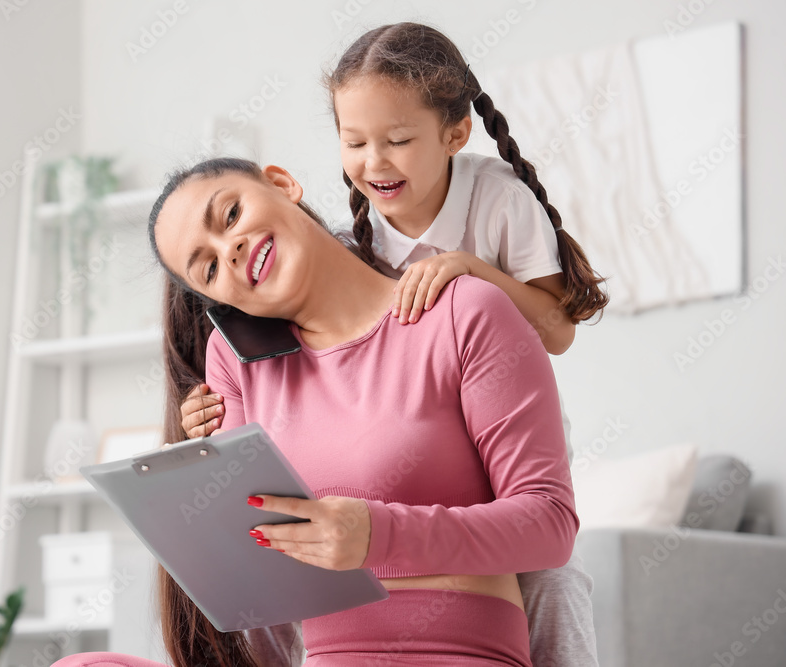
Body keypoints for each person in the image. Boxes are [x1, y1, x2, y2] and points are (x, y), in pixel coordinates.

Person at [179, 23, 607, 667]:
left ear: (455, 134)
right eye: (354, 143)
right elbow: (349, 324)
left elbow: (558, 331)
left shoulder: (496, 200)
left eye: (398, 141)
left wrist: (471, 269)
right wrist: (205, 414)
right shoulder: (359, 238)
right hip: (416, 459)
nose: (375, 162)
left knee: (553, 579)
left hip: (506, 432)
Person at [52, 156, 579, 667]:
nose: (230, 249)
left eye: (230, 215)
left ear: (282, 183)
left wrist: (379, 534)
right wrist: (193, 509)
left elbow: (550, 525)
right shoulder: (235, 363)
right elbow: (255, 564)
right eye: (209, 267)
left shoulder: (464, 312)